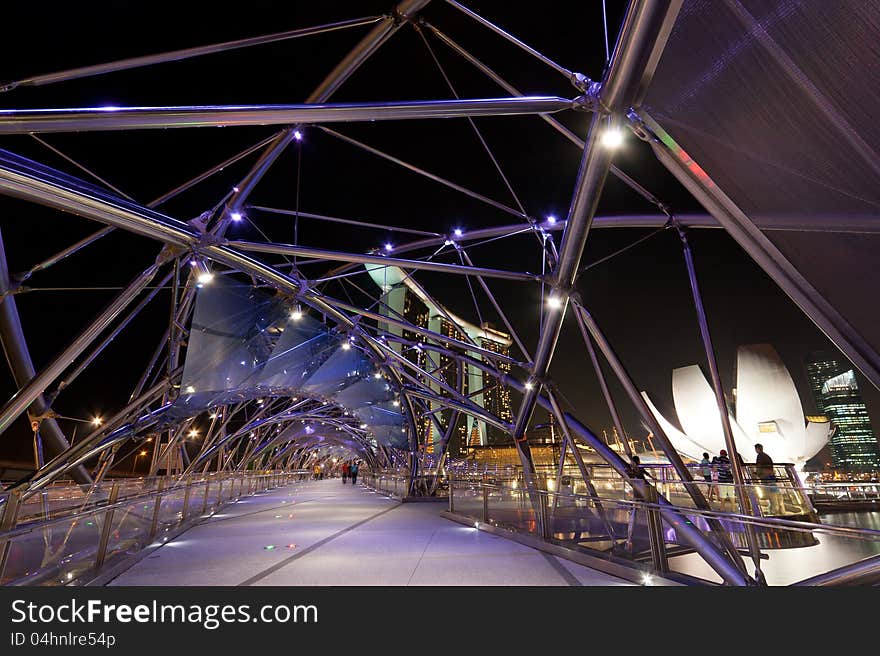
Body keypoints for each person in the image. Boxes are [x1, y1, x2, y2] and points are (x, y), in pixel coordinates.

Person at [754, 443, 781, 514]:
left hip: (765, 477)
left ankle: (773, 510)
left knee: (769, 493)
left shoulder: (759, 456)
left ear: (757, 449)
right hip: (771, 476)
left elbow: (759, 466)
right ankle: (778, 508)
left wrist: (757, 474)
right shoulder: (767, 456)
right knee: (774, 492)